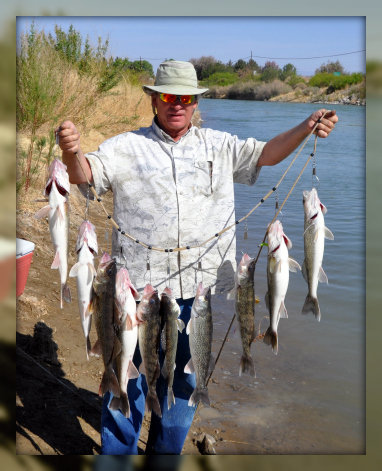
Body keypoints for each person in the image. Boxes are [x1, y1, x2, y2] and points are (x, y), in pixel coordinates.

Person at [57, 60, 338, 455]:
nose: (177, 104)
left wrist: (306, 127)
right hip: (134, 292)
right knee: (129, 378)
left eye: (185, 97)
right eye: (169, 96)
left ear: (195, 102)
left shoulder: (219, 145)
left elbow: (268, 154)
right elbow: (85, 175)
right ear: (154, 99)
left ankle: (165, 455)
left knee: (184, 384)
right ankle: (117, 454)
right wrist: (71, 153)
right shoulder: (125, 146)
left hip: (197, 294)